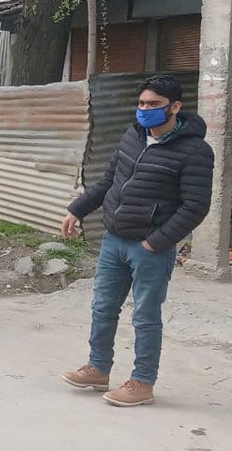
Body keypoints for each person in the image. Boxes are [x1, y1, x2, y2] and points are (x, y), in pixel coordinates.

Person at [60, 74, 214, 407]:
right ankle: (98, 368)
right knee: (103, 307)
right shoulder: (133, 135)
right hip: (114, 240)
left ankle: (142, 382)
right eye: (142, 103)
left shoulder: (195, 151)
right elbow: (108, 181)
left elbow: (195, 207)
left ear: (175, 107)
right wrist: (77, 210)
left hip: (150, 248)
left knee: (145, 316)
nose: (145, 110)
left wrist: (156, 242)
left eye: (154, 105)